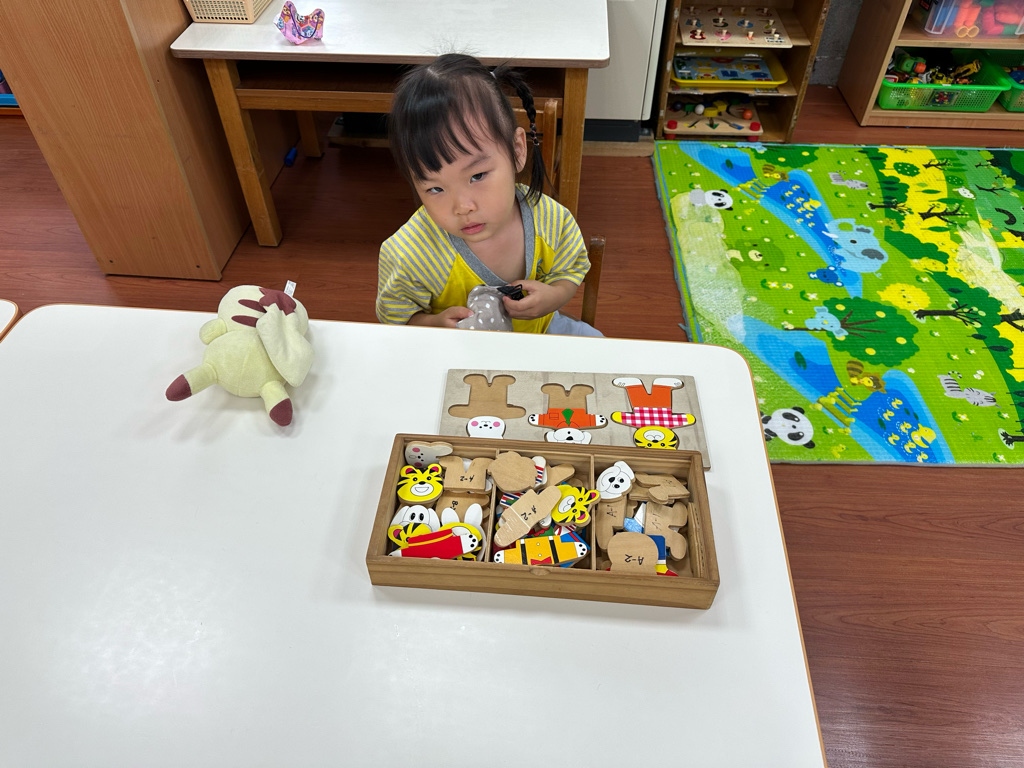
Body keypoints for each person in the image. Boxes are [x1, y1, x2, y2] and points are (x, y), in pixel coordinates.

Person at [376, 53, 602, 337]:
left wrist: (554, 297)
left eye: (477, 176)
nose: (462, 207)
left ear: (517, 151)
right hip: (456, 354)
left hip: (541, 335)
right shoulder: (411, 254)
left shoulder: (551, 220)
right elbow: (396, 320)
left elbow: (570, 269)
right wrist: (433, 324)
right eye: (435, 188)